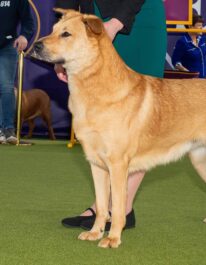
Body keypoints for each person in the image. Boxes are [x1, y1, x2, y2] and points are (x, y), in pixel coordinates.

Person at [54, 0, 167, 231]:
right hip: (92, 16)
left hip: (138, 14)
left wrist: (116, 23)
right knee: (103, 127)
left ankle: (121, 208)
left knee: (136, 123)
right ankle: (102, 208)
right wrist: (61, 52)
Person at [0, 0, 35, 144]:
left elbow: (28, 21)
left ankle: (8, 129)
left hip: (7, 46)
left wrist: (24, 35)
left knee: (6, 87)